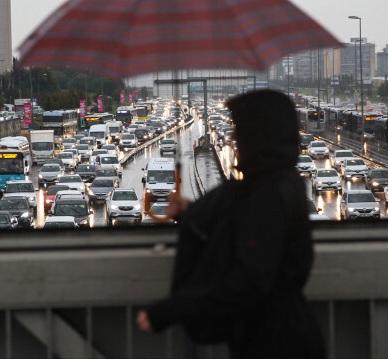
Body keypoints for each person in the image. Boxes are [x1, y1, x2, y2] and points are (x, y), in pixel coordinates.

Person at [136, 90, 325, 358]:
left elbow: (248, 281)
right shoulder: (279, 182)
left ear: (259, 136)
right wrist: (191, 210)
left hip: (273, 343)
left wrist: (170, 310)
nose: (233, 137)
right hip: (280, 335)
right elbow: (243, 217)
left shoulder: (268, 195)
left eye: (241, 129)